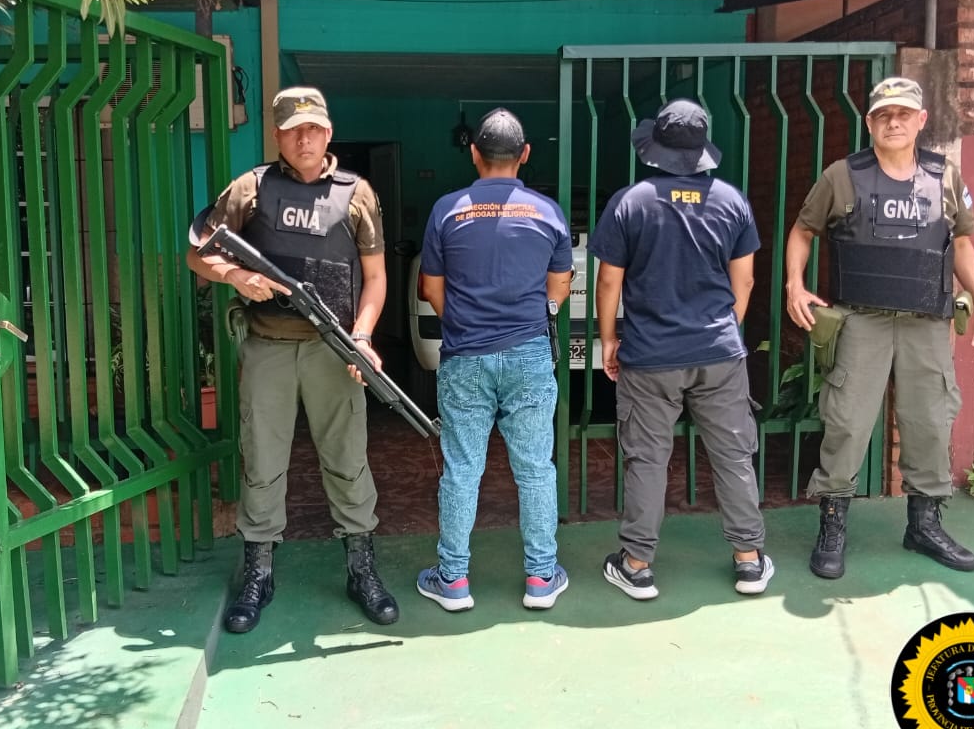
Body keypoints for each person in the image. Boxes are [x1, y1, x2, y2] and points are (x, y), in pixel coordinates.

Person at [187, 86, 398, 633]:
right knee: (262, 461)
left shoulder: (357, 195)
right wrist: (237, 275)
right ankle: (258, 573)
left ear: (329, 133)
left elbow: (375, 278)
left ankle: (361, 568)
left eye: (314, 129)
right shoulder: (250, 189)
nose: (305, 139)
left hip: (335, 349)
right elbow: (199, 252)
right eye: (293, 130)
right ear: (277, 135)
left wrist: (363, 336)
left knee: (348, 459)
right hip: (269, 347)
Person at [784, 76, 974, 579]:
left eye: (903, 114)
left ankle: (924, 525)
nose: (893, 122)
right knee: (847, 422)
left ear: (921, 120)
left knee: (930, 421)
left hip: (927, 322)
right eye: (883, 115)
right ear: (870, 123)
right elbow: (803, 230)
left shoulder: (945, 177)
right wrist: (795, 285)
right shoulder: (843, 175)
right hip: (863, 321)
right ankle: (833, 525)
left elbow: (962, 244)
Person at [590, 99, 774, 600]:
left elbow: (608, 281)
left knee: (648, 460)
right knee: (733, 455)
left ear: (657, 148)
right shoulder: (731, 201)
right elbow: (745, 280)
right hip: (719, 353)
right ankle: (749, 560)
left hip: (650, 357)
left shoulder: (631, 202)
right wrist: (723, 330)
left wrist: (609, 339)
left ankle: (636, 565)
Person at [415, 108, 573, 612]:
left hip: (465, 355)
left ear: (474, 153)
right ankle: (541, 578)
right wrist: (535, 317)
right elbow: (559, 286)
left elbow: (430, 287)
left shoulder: (447, 210)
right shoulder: (547, 212)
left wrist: (464, 322)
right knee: (535, 469)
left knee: (462, 468)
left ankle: (453, 581)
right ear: (525, 154)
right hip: (529, 354)